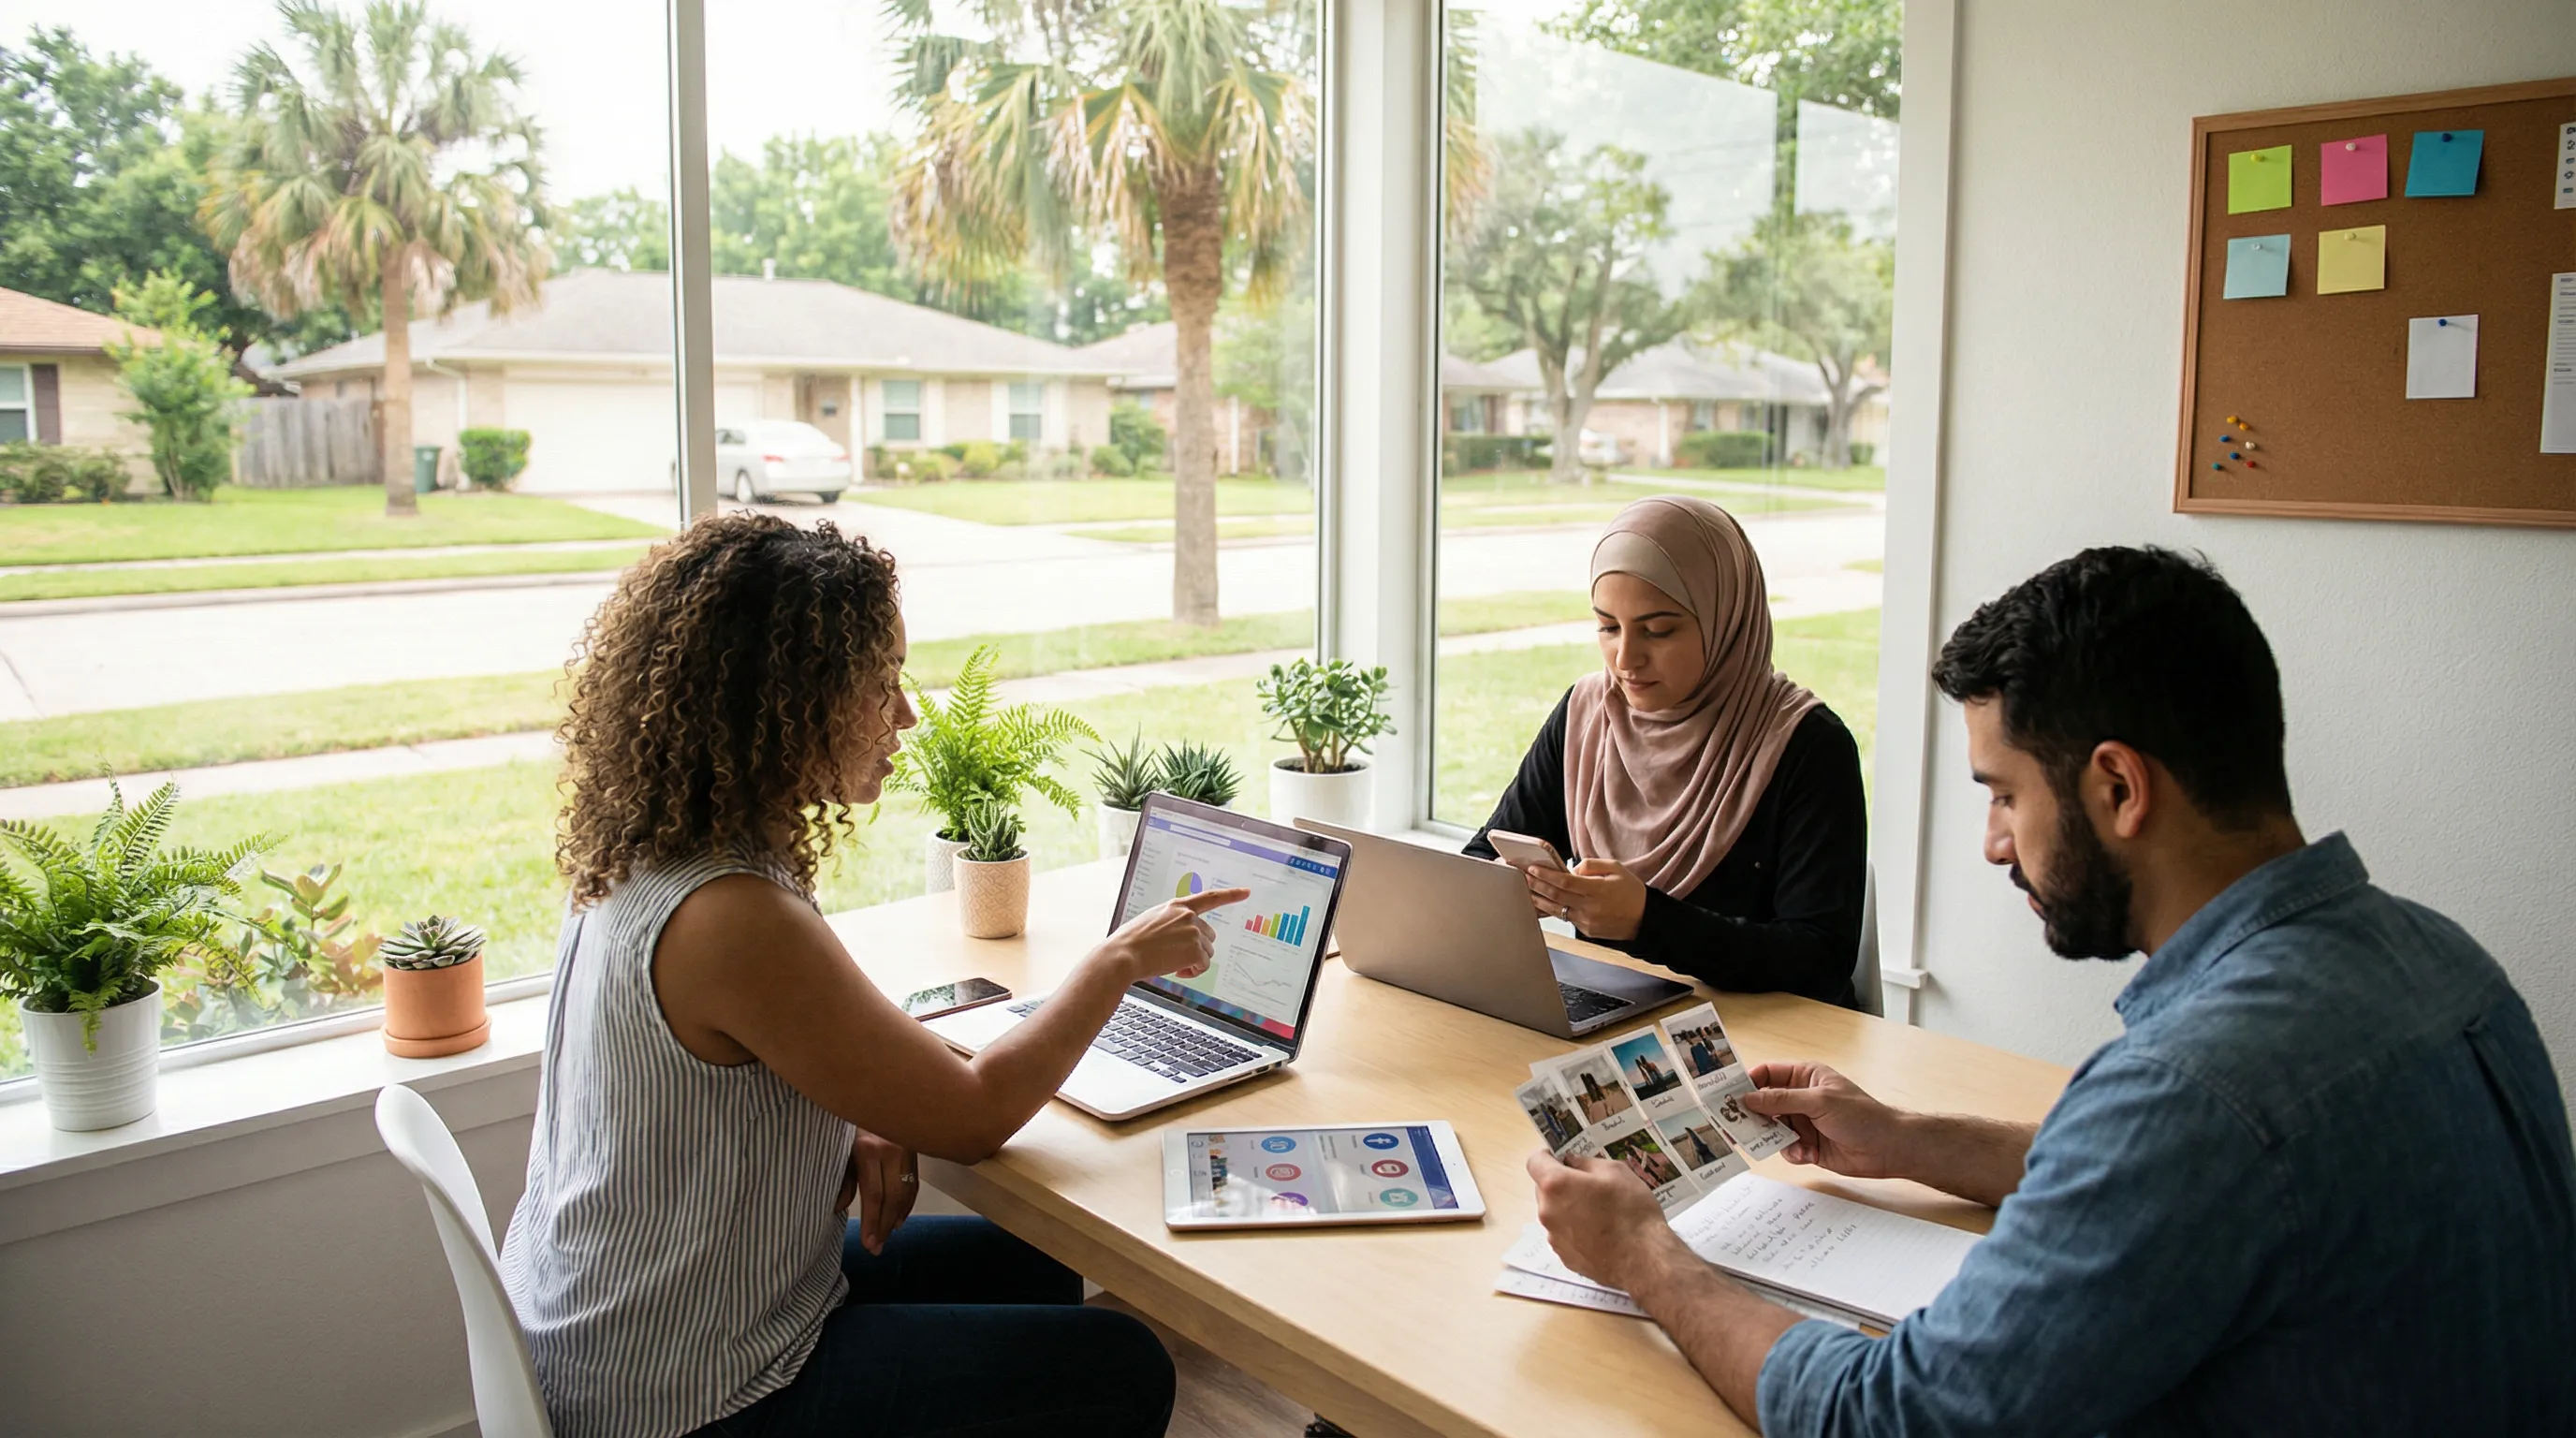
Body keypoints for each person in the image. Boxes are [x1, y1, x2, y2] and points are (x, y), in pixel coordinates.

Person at [1526, 546, 2576, 1435]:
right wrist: (1910, 1139)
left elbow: (1894, 1418)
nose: (1992, 844)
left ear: (2118, 788)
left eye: (2004, 794)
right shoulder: (2440, 961)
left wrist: (1647, 1258)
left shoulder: (2195, 1092)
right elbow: (2191, 1177)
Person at [501, 514, 1247, 1438]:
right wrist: (1117, 963)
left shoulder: (655, 853)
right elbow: (972, 1119)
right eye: (881, 682)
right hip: (686, 1394)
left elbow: (784, 1045)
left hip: (615, 1325)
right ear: (790, 699)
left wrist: (859, 1103)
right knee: (1119, 1366)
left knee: (1033, 1266)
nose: (906, 715)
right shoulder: (733, 915)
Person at [1465, 496, 1867, 1005]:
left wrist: (1647, 920)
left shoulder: (1808, 746)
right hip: (1620, 1024)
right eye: (1608, 627)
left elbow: (1819, 961)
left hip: (1767, 1042)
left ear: (1726, 621)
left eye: (1659, 630)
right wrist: (1510, 891)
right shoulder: (1589, 715)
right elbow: (1484, 855)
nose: (1625, 659)